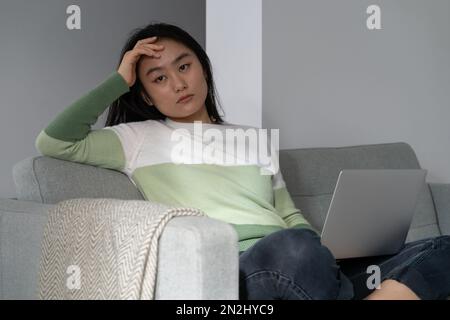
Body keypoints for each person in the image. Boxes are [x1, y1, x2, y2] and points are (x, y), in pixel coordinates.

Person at [35, 22, 450, 300]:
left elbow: (288, 215)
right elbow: (55, 141)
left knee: (441, 248)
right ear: (144, 93)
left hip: (303, 265)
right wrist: (119, 79)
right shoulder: (136, 139)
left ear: (202, 68)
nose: (178, 83)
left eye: (184, 66)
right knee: (292, 248)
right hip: (242, 269)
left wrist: (324, 250)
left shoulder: (253, 138)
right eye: (158, 78)